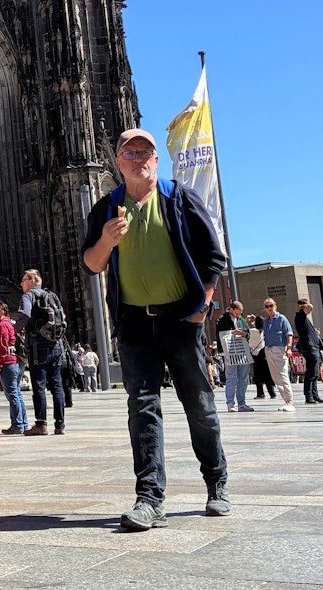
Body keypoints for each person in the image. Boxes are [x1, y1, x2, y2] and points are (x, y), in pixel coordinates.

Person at [80, 127, 229, 530]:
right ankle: (149, 498)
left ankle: (216, 482)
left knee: (198, 404)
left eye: (144, 151)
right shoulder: (107, 208)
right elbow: (92, 264)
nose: (137, 158)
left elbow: (214, 256)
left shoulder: (179, 198)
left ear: (155, 159)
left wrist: (202, 306)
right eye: (129, 152)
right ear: (118, 161)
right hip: (133, 323)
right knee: (142, 408)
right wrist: (107, 242)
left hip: (181, 319)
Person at [18, 269, 66, 435]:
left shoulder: (29, 295)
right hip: (56, 344)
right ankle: (60, 425)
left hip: (38, 345)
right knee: (57, 385)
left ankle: (41, 424)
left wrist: (14, 329)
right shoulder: (51, 295)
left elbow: (24, 314)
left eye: (23, 280)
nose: (21, 284)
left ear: (31, 280)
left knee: (39, 385)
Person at [0, 301, 27, 434]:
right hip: (17, 362)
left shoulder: (2, 326)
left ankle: (17, 425)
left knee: (12, 394)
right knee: (17, 393)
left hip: (8, 363)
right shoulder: (10, 323)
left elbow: (2, 348)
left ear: (2, 311)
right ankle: (23, 423)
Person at [216, 300, 254, 412]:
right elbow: (219, 335)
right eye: (237, 313)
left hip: (242, 351)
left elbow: (248, 333)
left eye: (240, 313)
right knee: (231, 378)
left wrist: (244, 334)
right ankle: (230, 403)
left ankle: (241, 403)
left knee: (243, 378)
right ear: (231, 309)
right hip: (230, 352)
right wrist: (232, 333)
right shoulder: (222, 319)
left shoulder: (241, 320)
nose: (239, 315)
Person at [261, 299, 296, 412]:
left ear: (275, 306)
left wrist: (289, 348)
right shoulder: (266, 321)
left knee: (283, 374)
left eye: (271, 305)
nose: (269, 308)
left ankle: (290, 402)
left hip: (280, 349)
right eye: (267, 306)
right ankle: (285, 400)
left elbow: (289, 333)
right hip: (269, 349)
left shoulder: (282, 319)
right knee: (275, 377)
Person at [294, 298, 323, 404]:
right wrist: (304, 307)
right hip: (310, 347)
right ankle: (308, 396)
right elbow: (310, 307)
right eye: (304, 306)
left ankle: (315, 394)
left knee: (316, 373)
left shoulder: (304, 318)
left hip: (314, 347)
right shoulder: (300, 316)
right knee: (311, 372)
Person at [248, 313, 277, 400]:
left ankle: (260, 393)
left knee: (257, 375)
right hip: (264, 354)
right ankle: (272, 393)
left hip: (256, 355)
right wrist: (256, 320)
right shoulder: (265, 331)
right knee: (267, 375)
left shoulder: (252, 331)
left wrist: (247, 320)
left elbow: (244, 330)